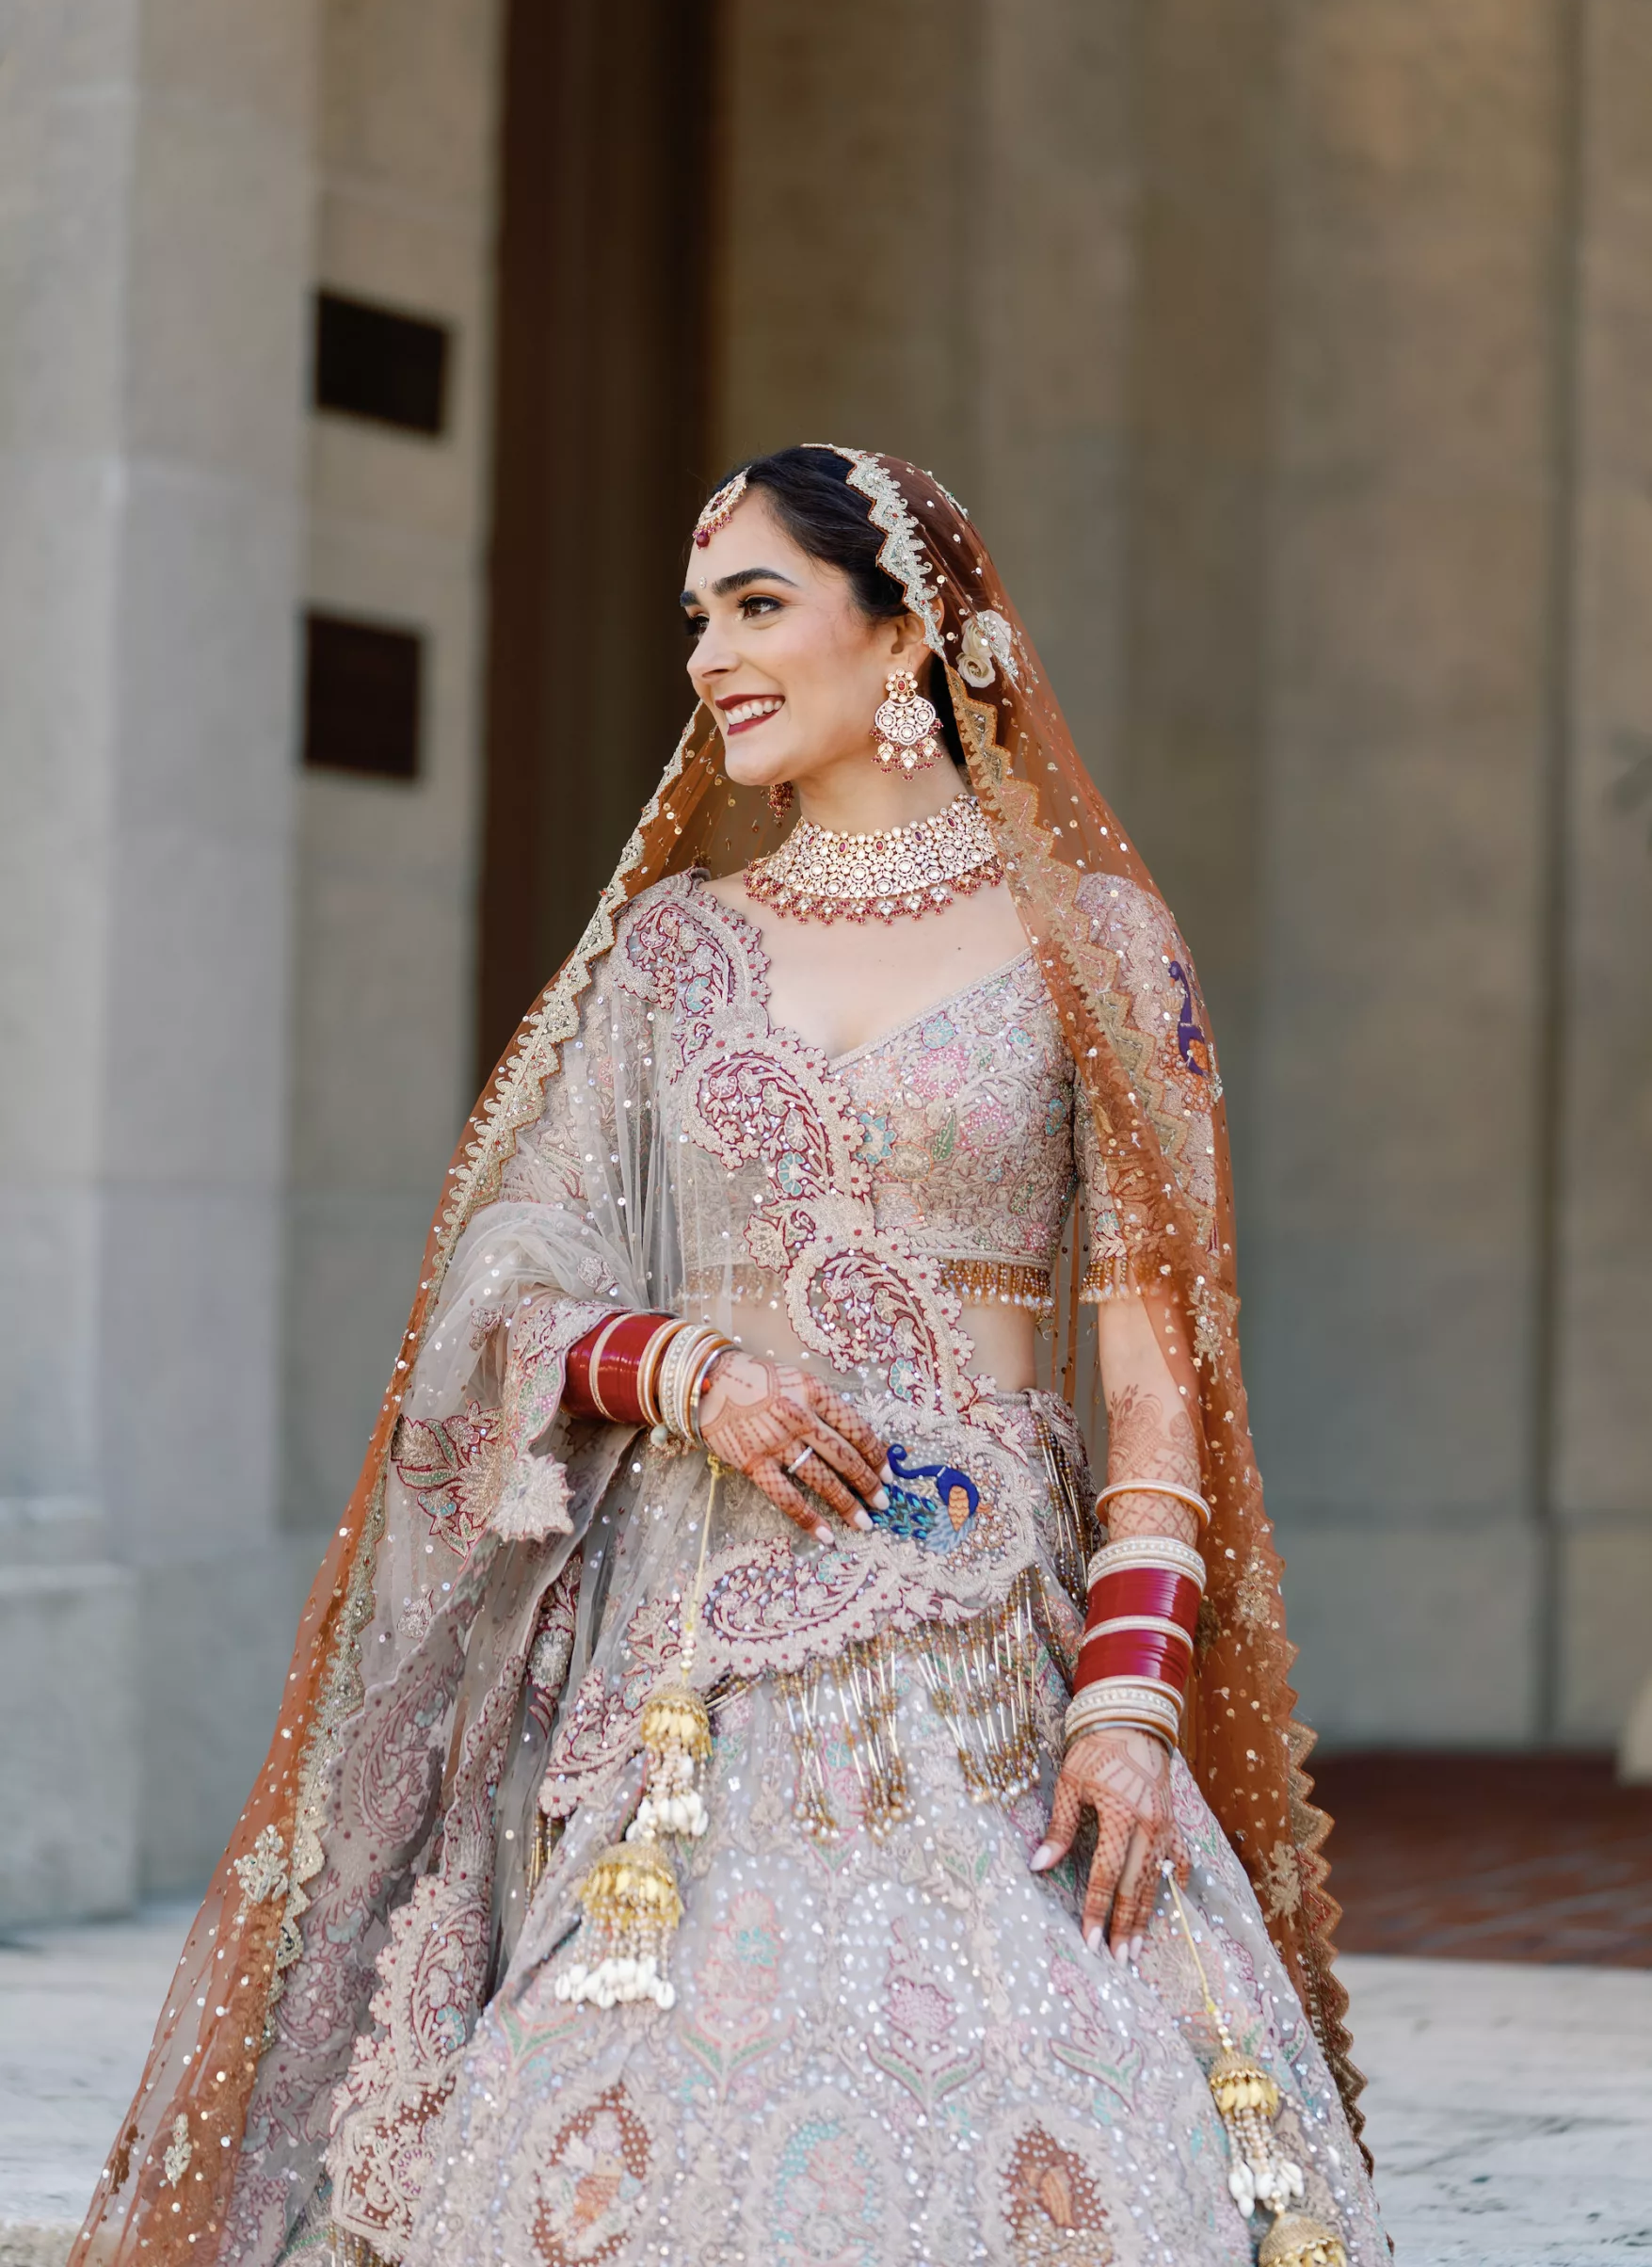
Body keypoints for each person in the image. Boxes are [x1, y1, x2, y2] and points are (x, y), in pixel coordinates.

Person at [78, 448, 1384, 2267]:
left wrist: (1129, 1703)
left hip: (984, 1662)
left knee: (1071, 2117)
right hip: (695, 1653)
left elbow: (1162, 1380)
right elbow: (500, 1289)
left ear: (910, 633)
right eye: (698, 618)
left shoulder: (1097, 952)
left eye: (758, 606)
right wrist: (691, 1373)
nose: (709, 656)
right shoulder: (671, 956)